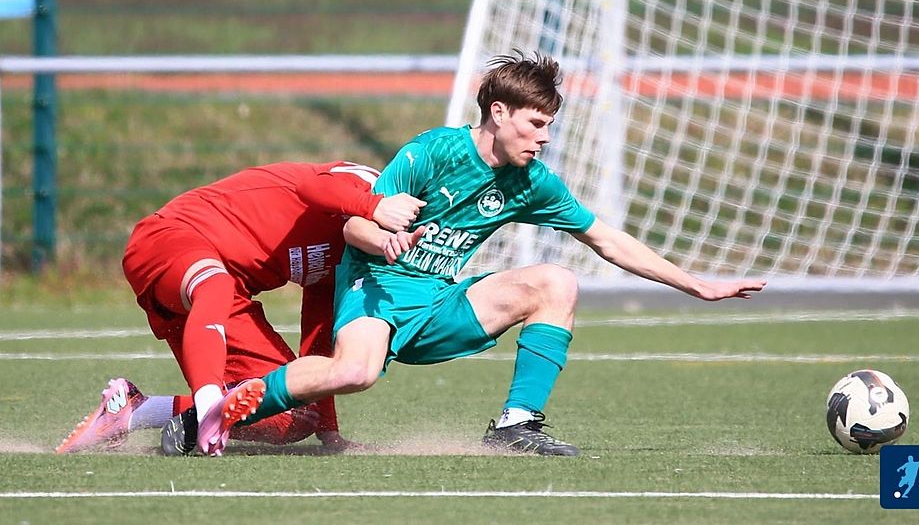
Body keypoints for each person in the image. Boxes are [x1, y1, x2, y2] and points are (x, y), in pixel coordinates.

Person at [208, 50, 767, 456]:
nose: (544, 137)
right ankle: (211, 415)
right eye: (536, 123)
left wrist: (696, 284)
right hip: (375, 292)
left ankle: (517, 424)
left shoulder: (533, 182)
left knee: (556, 282)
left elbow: (607, 239)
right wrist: (386, 238)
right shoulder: (432, 151)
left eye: (549, 126)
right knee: (355, 372)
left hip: (439, 304)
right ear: (499, 113)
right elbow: (354, 224)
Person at [55, 160, 424, 456]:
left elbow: (319, 333)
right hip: (171, 240)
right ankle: (208, 406)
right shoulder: (370, 185)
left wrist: (328, 431)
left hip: (222, 299)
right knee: (215, 284)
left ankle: (135, 412)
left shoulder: (362, 260)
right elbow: (312, 186)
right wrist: (375, 206)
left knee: (293, 416)